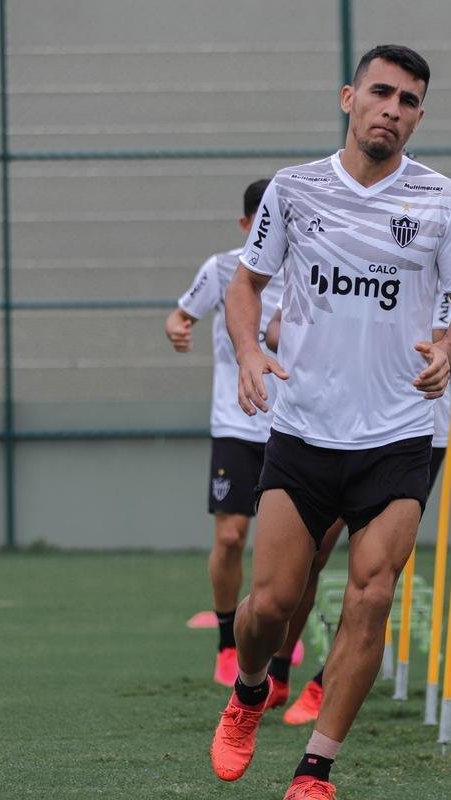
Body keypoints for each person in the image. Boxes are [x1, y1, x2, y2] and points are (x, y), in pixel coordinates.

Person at [211, 44, 451, 800]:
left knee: (372, 594)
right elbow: (245, 288)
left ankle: (316, 769)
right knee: (269, 605)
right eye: (381, 94)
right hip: (303, 427)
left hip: (401, 429)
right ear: (349, 98)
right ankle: (248, 693)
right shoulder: (295, 191)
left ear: (419, 117)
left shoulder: (443, 201)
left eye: (408, 101)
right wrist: (246, 353)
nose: (392, 111)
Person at [280, 287, 451, 726]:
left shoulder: (441, 259)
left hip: (409, 435)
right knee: (312, 553)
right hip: (340, 425)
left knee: (370, 577)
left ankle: (325, 684)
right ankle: (277, 671)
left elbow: (439, 336)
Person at [164, 179, 284, 687]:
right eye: (262, 223)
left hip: (293, 429)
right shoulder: (221, 269)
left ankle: (277, 641)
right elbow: (180, 314)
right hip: (236, 424)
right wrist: (177, 327)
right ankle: (226, 639)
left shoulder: (308, 273)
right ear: (245, 226)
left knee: (289, 548)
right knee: (233, 535)